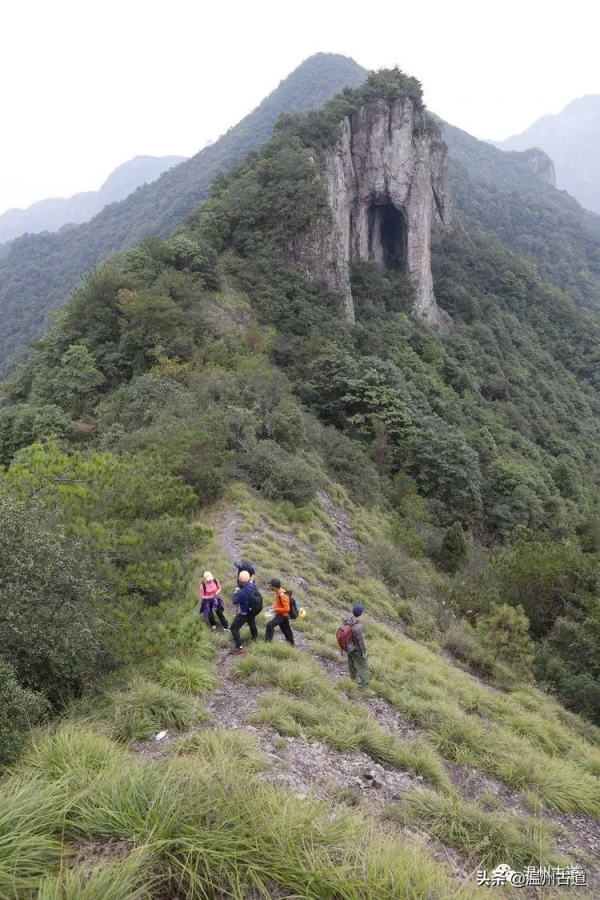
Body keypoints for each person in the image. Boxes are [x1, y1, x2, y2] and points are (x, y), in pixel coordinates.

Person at [229, 570, 262, 654]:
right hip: (253, 610)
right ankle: (255, 639)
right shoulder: (253, 584)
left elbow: (234, 601)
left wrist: (235, 593)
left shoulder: (241, 592)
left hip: (245, 613)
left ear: (239, 580)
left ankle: (239, 647)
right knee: (252, 625)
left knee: (234, 628)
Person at [340, 604, 370, 689]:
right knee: (363, 667)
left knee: (351, 664)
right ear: (361, 613)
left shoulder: (347, 620)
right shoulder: (358, 626)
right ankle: (365, 688)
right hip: (356, 649)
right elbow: (360, 641)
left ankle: (353, 681)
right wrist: (364, 652)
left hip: (347, 647)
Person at [265, 578, 295, 647]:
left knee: (270, 625)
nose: (269, 587)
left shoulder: (283, 595)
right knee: (286, 629)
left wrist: (276, 610)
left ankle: (267, 643)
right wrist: (274, 607)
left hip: (282, 615)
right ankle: (291, 644)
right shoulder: (279, 591)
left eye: (270, 585)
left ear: (274, 587)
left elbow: (287, 609)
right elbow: (279, 602)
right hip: (281, 614)